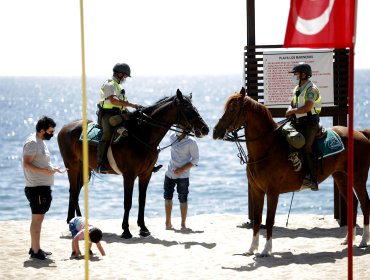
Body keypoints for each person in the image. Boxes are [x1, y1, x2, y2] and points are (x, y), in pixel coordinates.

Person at [23, 116, 67, 260]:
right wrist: (45, 172)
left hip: (42, 187)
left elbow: (41, 163)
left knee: (38, 219)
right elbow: (26, 164)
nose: (52, 134)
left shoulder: (40, 141)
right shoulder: (32, 143)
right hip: (36, 188)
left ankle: (35, 248)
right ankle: (35, 251)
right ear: (42, 131)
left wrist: (53, 169)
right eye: (50, 131)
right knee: (37, 220)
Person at [96, 63, 143, 173]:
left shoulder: (118, 85)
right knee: (107, 134)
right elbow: (113, 101)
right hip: (108, 114)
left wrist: (130, 110)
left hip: (119, 113)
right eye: (125, 76)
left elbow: (121, 104)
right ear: (120, 74)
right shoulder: (109, 84)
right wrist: (132, 105)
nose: (125, 78)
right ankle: (100, 163)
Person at [285, 63, 321, 191]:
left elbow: (307, 107)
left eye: (296, 73)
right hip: (299, 122)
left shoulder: (311, 89)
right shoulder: (297, 88)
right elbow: (292, 104)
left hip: (310, 123)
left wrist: (293, 112)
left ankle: (313, 179)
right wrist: (290, 110)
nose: (294, 76)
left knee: (306, 148)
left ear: (304, 75)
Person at [163, 130, 199, 230]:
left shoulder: (191, 142)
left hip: (183, 175)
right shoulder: (171, 136)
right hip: (169, 173)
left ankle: (183, 224)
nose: (178, 132)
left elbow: (195, 160)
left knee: (183, 198)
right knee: (167, 197)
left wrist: (181, 169)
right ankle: (167, 223)